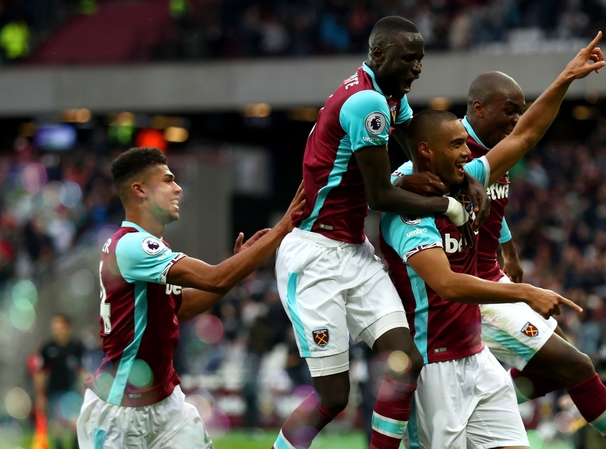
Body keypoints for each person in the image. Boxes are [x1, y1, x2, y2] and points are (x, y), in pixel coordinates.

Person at [395, 33, 606, 449]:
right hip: (456, 301)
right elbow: (400, 197)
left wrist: (508, 246)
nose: (514, 121)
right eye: (508, 112)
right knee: (573, 364)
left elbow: (503, 179)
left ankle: (499, 392)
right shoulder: (443, 164)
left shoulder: (483, 163)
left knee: (571, 365)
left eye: (519, 113)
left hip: (487, 285)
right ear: (476, 110)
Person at [272, 16, 488, 449]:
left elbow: (418, 147)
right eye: (409, 58)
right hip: (315, 257)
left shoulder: (390, 98)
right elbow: (380, 196)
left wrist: (461, 175)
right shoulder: (366, 102)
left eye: (421, 58)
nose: (418, 68)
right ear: (378, 55)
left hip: (355, 251)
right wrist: (447, 205)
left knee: (405, 363)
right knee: (333, 397)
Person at [380, 105, 587, 448]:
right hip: (434, 365)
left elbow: (523, 137)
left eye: (465, 143)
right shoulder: (407, 213)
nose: (466, 151)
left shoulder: (466, 181)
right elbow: (446, 284)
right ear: (426, 151)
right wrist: (523, 292)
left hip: (477, 358)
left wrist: (567, 76)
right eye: (456, 145)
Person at [76, 147, 305, 448]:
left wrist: (235, 271)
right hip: (119, 411)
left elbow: (179, 308)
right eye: (168, 180)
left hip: (166, 403)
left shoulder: (147, 247)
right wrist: (283, 228)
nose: (178, 188)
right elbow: (214, 277)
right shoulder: (133, 246)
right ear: (140, 190)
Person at [34, 314, 87, 449]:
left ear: (68, 328)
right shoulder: (47, 348)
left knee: (75, 427)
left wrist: (87, 391)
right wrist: (40, 395)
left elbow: (82, 371)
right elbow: (40, 373)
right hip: (53, 394)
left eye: (59, 327)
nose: (56, 330)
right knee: (56, 430)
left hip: (71, 393)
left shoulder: (76, 347)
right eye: (54, 327)